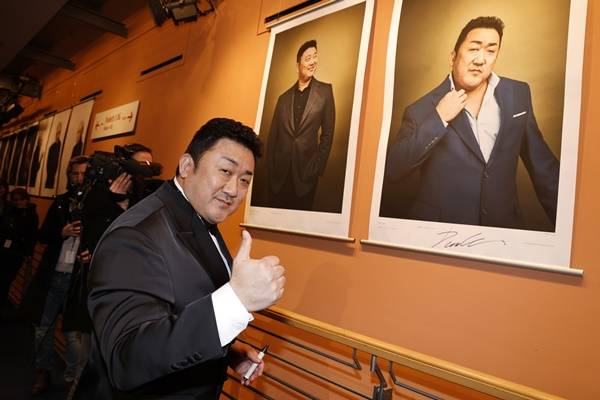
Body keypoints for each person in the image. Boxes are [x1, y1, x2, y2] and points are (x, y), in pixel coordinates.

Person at [73, 118, 286, 399]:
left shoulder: (199, 218)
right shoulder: (135, 235)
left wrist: (229, 352)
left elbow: (177, 313)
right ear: (186, 166)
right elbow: (128, 357)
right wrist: (236, 301)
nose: (234, 189)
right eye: (225, 171)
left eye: (244, 180)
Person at [384, 16, 559, 230]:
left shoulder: (518, 94)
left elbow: (544, 169)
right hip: (443, 235)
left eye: (491, 51)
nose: (480, 59)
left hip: (504, 231)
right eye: (474, 49)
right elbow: (394, 170)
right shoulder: (420, 109)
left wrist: (571, 230)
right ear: (453, 57)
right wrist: (439, 118)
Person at [20, 156, 90, 395]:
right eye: (75, 174)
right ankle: (42, 372)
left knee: (73, 336)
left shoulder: (98, 206)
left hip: (77, 280)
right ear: (69, 175)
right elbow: (42, 236)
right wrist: (62, 232)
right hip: (53, 276)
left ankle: (72, 380)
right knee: (42, 328)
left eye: (84, 174)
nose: (79, 178)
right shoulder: (60, 202)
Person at [267, 39, 335, 210]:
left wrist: (316, 168)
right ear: (298, 65)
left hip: (306, 176)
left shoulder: (325, 92)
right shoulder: (283, 99)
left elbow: (328, 134)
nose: (313, 62)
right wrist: (271, 170)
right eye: (308, 58)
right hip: (280, 177)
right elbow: (273, 138)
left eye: (315, 56)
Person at [0, 188, 38, 305]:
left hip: (17, 253)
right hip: (4, 250)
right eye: (15, 200)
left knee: (6, 280)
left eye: (21, 199)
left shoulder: (31, 215)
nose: (18, 202)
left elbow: (32, 235)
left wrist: (29, 253)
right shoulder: (10, 211)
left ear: (27, 200)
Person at [45, 121, 63, 189]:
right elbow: (48, 163)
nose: (58, 134)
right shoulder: (52, 147)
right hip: (50, 174)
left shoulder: (60, 145)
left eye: (59, 132)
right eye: (57, 132)